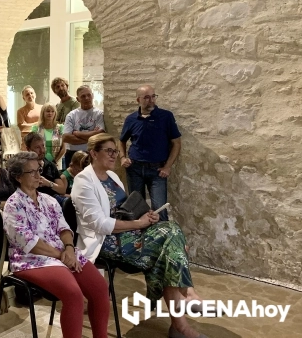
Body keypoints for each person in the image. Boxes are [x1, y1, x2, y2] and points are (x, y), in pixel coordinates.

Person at [71, 133, 207, 338]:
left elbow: (124, 209)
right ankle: (184, 300)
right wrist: (138, 223)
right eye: (109, 151)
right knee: (172, 241)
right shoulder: (83, 181)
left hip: (128, 232)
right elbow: (99, 224)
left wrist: (144, 215)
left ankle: (181, 321)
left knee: (171, 239)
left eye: (115, 151)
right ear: (93, 153)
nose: (114, 155)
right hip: (106, 242)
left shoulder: (113, 176)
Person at [3, 151, 109, 338]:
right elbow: (30, 243)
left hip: (61, 253)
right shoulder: (13, 205)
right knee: (73, 295)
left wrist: (68, 249)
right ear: (18, 177)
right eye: (32, 172)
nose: (38, 176)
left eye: (39, 170)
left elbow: (64, 229)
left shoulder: (48, 200)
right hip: (31, 259)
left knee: (99, 289)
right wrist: (62, 255)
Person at [119, 85, 181, 221]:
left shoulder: (166, 116)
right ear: (138, 100)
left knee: (160, 209)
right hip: (134, 168)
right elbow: (121, 141)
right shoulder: (131, 119)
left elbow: (176, 143)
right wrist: (123, 157)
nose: (151, 100)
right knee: (135, 208)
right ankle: (139, 240)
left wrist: (168, 166)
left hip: (157, 170)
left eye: (153, 96)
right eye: (146, 97)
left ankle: (162, 240)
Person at [62, 85, 104, 167]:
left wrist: (77, 133)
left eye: (89, 95)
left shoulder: (99, 114)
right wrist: (93, 135)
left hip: (92, 154)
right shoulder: (71, 115)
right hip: (73, 154)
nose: (87, 98)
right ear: (78, 99)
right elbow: (66, 138)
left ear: (93, 96)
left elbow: (100, 136)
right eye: (83, 96)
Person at [24, 132, 66, 205]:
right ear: (28, 149)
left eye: (43, 146)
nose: (42, 150)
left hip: (53, 201)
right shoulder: (24, 167)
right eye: (37, 147)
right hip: (34, 202)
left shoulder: (51, 165)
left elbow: (62, 190)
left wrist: (48, 183)